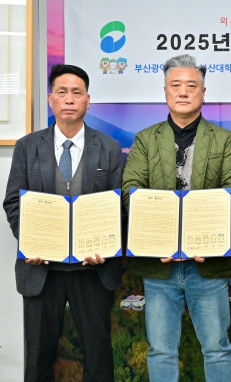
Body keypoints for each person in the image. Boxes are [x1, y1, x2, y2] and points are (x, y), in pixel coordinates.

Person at [122, 54, 231, 382]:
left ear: (203, 93)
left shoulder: (225, 140)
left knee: (217, 348)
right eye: (176, 85)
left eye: (192, 85)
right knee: (161, 350)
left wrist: (207, 237)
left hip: (208, 263)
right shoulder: (146, 139)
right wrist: (158, 237)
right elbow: (131, 190)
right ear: (165, 91)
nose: (183, 91)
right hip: (159, 264)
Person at [3, 64, 124, 381]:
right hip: (41, 269)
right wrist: (30, 241)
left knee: (98, 355)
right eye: (62, 92)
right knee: (38, 355)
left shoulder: (109, 148)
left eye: (77, 93)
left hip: (93, 270)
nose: (69, 99)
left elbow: (120, 207)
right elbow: (13, 202)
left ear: (87, 100)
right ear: (50, 99)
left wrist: (107, 246)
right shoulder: (27, 147)